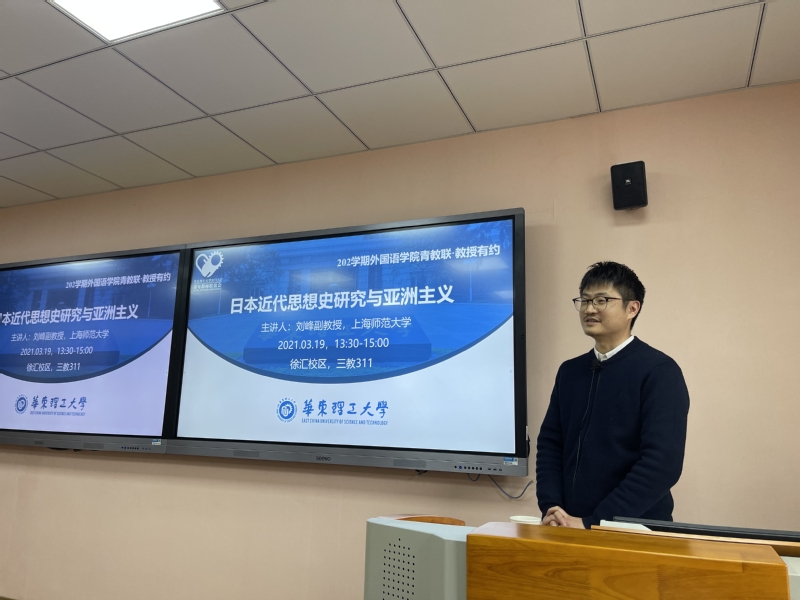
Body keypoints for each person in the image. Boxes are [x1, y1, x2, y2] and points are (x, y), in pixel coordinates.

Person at [536, 262, 689, 529]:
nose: (589, 309)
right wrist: (552, 506)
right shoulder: (570, 371)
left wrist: (595, 523)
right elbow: (551, 444)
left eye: (601, 300)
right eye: (584, 300)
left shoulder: (659, 371)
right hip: (566, 526)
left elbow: (661, 464)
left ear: (632, 308)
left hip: (633, 531)